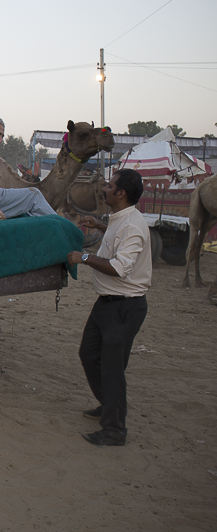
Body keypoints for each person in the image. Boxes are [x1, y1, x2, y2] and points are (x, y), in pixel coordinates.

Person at [67, 169, 151, 447]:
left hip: (124, 306)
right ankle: (108, 403)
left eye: (110, 185)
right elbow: (116, 242)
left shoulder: (132, 226)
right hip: (107, 303)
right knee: (89, 354)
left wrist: (84, 257)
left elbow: (119, 267)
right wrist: (101, 227)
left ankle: (115, 429)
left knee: (113, 367)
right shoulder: (120, 219)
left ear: (121, 193)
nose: (104, 188)